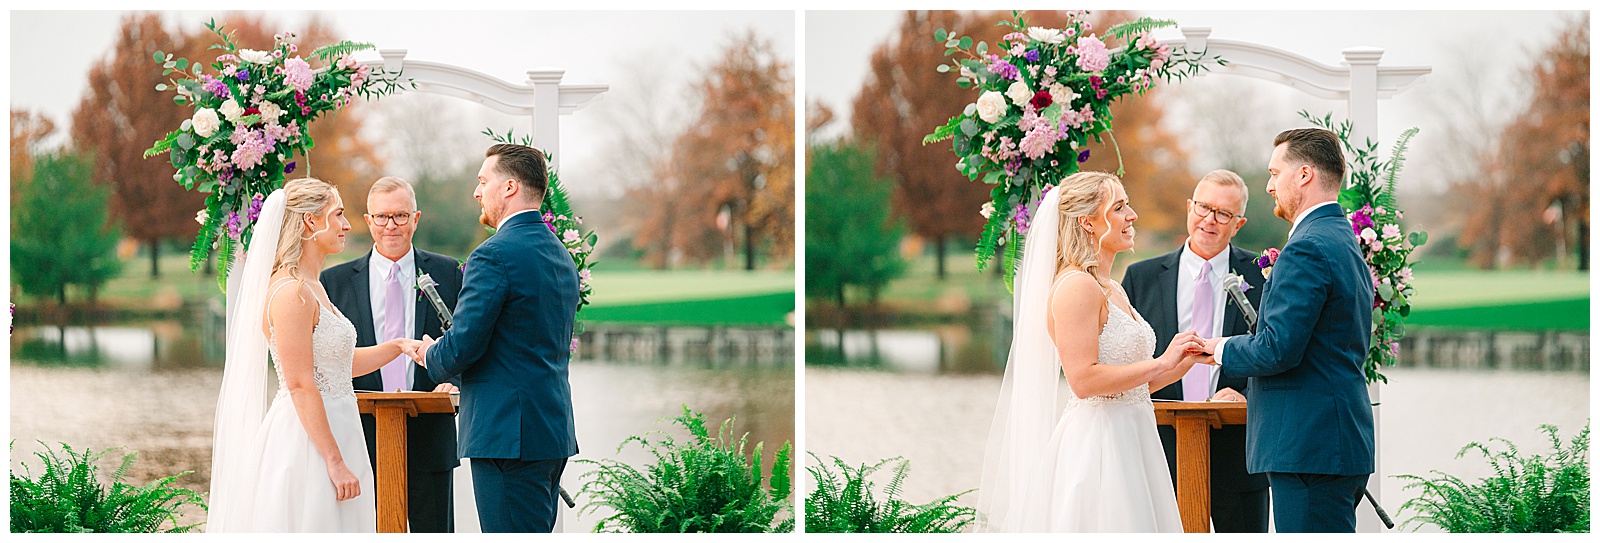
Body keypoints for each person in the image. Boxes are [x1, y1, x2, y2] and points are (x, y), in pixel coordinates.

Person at [976, 171, 1211, 532]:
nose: (1132, 216)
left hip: (1136, 438)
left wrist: (1179, 364)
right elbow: (1084, 380)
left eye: (1128, 205)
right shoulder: (1076, 287)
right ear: (1088, 222)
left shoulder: (1112, 287)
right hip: (1099, 448)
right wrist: (1159, 362)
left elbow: (1132, 385)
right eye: (1119, 207)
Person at [207, 177, 422, 532]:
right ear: (311, 222)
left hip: (340, 427)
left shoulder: (314, 287)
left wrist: (397, 346)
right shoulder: (291, 293)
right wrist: (334, 461)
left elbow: (338, 364)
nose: (347, 225)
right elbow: (300, 384)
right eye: (337, 215)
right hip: (307, 443)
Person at [1202, 128, 1376, 533]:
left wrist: (1219, 349)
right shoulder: (1341, 237)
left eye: (1274, 172)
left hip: (1308, 448)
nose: (1269, 184)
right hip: (1328, 442)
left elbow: (1278, 349)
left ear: (1303, 175)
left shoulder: (1308, 247)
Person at [415, 144, 579, 533]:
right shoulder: (560, 254)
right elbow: (521, 345)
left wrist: (429, 354)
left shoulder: (494, 256)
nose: (477, 192)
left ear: (508, 188)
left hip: (507, 436)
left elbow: (462, 347)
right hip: (550, 430)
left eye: (483, 181)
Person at [1122, 169, 1270, 532]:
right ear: (1190, 207)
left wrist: (1246, 393)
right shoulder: (1140, 278)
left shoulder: (1265, 275)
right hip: (1161, 452)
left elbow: (1277, 351)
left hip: (1241, 453)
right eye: (1204, 207)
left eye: (1223, 213)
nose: (1209, 220)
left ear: (1239, 223)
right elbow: (1125, 363)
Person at [322, 176, 464, 532]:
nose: (391, 226)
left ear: (416, 218)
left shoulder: (450, 273)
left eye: (400, 216)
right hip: (359, 434)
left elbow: (470, 342)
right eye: (382, 217)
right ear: (368, 221)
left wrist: (455, 383)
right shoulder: (334, 282)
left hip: (431, 434)